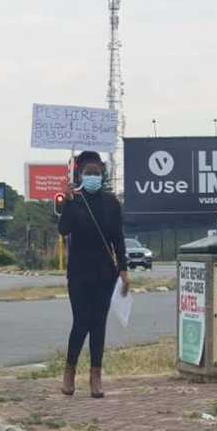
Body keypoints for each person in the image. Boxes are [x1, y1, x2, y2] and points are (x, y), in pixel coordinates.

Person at [57, 151, 128, 398]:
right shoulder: (74, 200)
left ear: (102, 174)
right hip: (78, 273)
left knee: (99, 323)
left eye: (96, 173)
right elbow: (63, 228)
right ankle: (69, 371)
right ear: (80, 175)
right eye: (88, 173)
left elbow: (118, 239)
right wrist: (66, 202)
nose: (92, 177)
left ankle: (95, 376)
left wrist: (124, 269)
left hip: (104, 274)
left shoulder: (112, 203)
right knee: (82, 321)